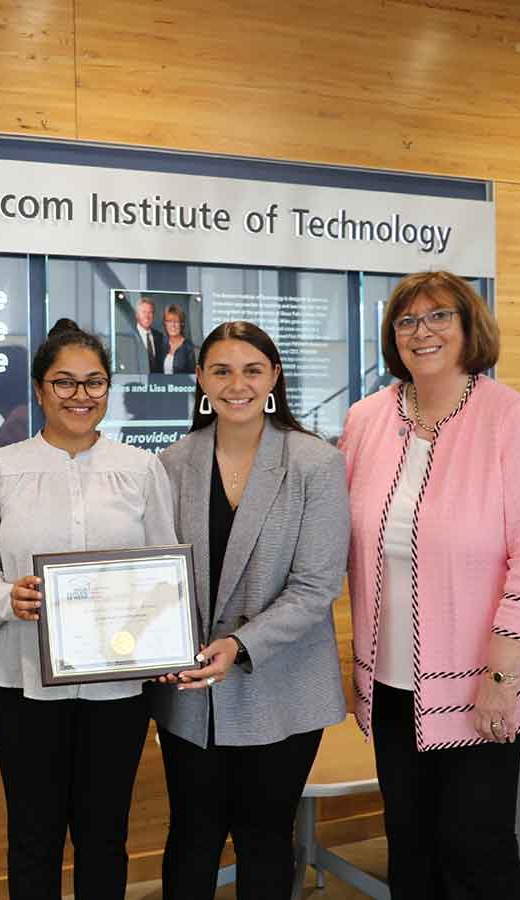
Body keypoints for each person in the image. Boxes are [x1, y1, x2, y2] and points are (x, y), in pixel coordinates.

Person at [339, 271, 520, 899]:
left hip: (483, 679)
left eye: (439, 316)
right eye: (407, 321)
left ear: (471, 327)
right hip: (391, 682)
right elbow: (337, 534)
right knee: (409, 843)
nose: (423, 332)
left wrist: (501, 675)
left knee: (476, 846)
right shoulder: (364, 420)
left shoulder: (513, 418)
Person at [0, 319, 177, 900]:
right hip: (22, 685)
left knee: (105, 837)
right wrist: (6, 598)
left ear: (109, 388)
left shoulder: (142, 470)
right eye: (65, 383)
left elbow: (164, 578)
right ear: (41, 389)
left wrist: (165, 639)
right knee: (33, 837)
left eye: (94, 383)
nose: (81, 396)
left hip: (117, 691)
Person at [149, 321, 348, 898]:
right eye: (222, 371)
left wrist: (239, 646)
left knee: (263, 836)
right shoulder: (170, 463)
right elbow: (159, 575)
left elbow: (315, 587)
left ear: (274, 378)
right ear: (201, 380)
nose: (237, 384)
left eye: (252, 370)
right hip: (189, 689)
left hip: (280, 684)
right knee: (192, 833)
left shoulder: (316, 463)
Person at [160, 304, 196, 374]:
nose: (173, 325)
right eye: (169, 321)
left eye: (176, 321)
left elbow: (193, 377)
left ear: (182, 323)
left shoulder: (189, 347)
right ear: (165, 323)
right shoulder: (161, 344)